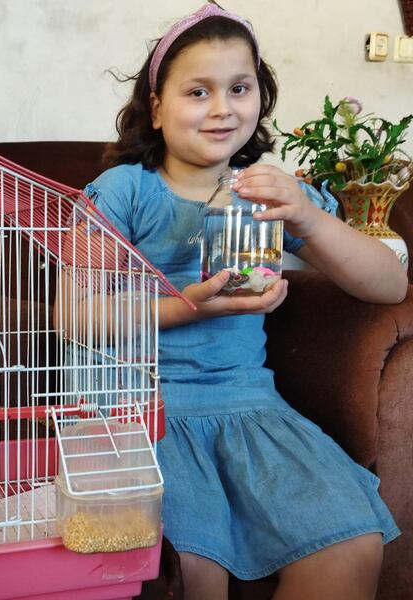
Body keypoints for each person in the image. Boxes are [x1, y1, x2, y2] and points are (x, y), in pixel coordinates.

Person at [69, 2, 408, 599]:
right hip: (141, 412)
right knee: (193, 569)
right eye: (198, 91)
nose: (223, 108)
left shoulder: (269, 192)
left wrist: (307, 217)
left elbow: (389, 287)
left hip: (250, 408)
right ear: (157, 106)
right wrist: (187, 306)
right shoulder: (127, 191)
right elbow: (74, 315)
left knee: (349, 545)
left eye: (239, 88)